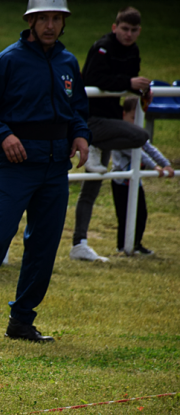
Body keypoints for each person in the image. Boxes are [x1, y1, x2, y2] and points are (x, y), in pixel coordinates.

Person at [0, 0, 91, 342]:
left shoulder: (67, 61)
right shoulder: (7, 61)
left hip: (56, 167)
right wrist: (4, 136)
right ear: (30, 21)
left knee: (44, 245)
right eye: (43, 18)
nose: (49, 24)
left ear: (63, 22)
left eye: (56, 18)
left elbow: (78, 109)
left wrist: (81, 135)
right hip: (15, 166)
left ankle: (22, 321)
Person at [69, 6, 151, 263]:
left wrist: (142, 92)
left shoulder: (133, 51)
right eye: (124, 29)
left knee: (91, 189)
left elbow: (129, 81)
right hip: (91, 120)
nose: (128, 34)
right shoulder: (102, 46)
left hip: (107, 122)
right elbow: (92, 78)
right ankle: (92, 142)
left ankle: (79, 243)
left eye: (133, 30)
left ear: (139, 32)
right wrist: (129, 84)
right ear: (115, 27)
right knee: (140, 136)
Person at [110, 97, 175, 255]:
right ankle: (122, 246)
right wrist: (154, 166)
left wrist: (166, 163)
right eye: (133, 118)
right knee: (124, 216)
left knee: (141, 214)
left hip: (135, 183)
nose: (136, 122)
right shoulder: (121, 134)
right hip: (120, 183)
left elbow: (150, 148)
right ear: (123, 114)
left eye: (139, 118)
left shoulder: (137, 132)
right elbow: (136, 152)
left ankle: (136, 244)